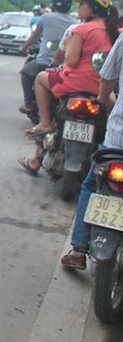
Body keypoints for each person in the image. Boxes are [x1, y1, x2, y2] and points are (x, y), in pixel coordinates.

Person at [19, 0, 119, 171]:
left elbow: (71, 61)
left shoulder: (81, 29)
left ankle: (46, 122)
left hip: (74, 83)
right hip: (101, 87)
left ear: (92, 9)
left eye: (82, 4)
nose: (79, 7)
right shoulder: (114, 32)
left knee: (41, 78)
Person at [60, 31, 123, 269]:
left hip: (118, 138)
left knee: (90, 184)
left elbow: (107, 76)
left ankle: (78, 249)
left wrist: (103, 98)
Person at [17, 0, 76, 118]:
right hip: (64, 65)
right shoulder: (75, 22)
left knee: (26, 72)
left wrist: (23, 48)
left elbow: (34, 36)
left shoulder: (46, 17)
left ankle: (29, 104)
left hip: (43, 63)